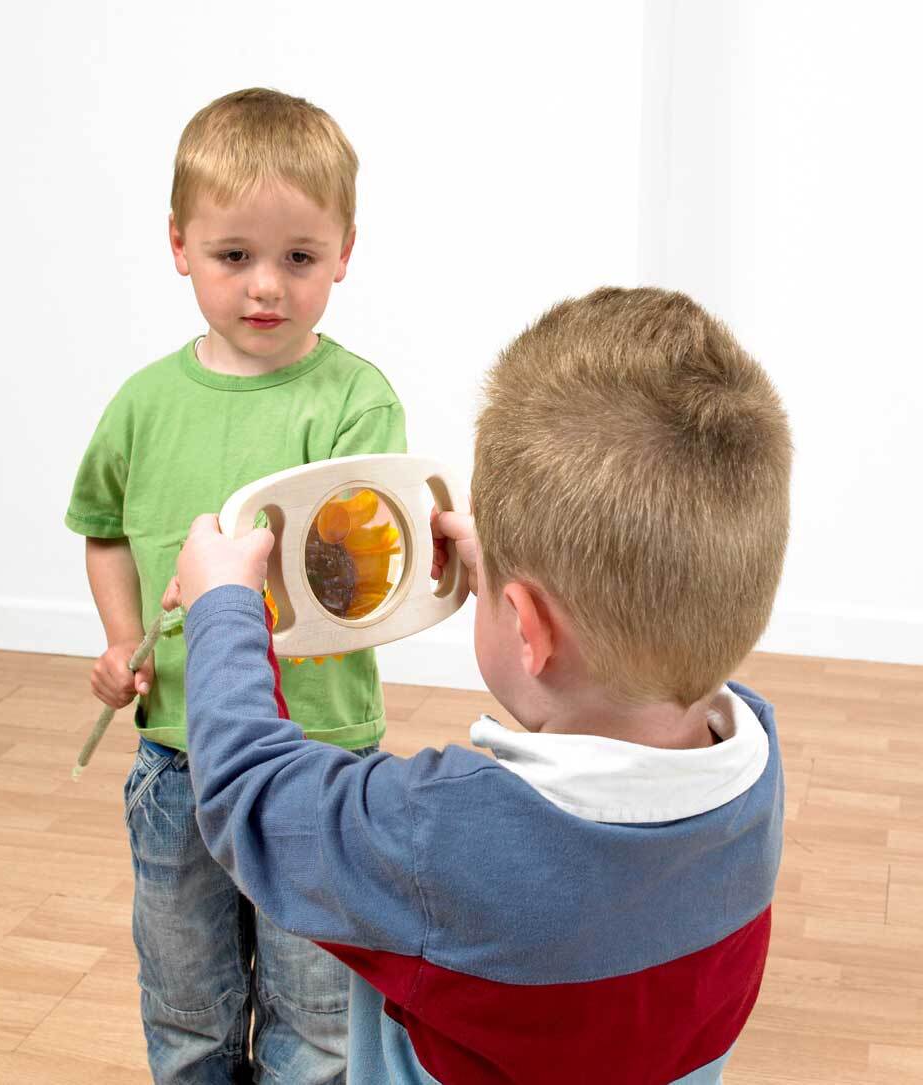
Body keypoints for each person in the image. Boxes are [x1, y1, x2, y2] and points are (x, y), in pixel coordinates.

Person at [169, 287, 791, 1084]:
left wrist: (225, 609)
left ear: (527, 629)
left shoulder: (444, 838)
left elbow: (250, 798)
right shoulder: (754, 771)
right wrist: (518, 567)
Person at [65, 87, 406, 1084]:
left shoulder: (355, 399)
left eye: (299, 258)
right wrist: (121, 637)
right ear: (180, 244)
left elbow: (353, 576)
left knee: (317, 1011)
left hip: (315, 760)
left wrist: (230, 595)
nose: (266, 286)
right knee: (187, 1002)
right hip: (176, 759)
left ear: (343, 251)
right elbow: (102, 530)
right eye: (233, 256)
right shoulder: (143, 402)